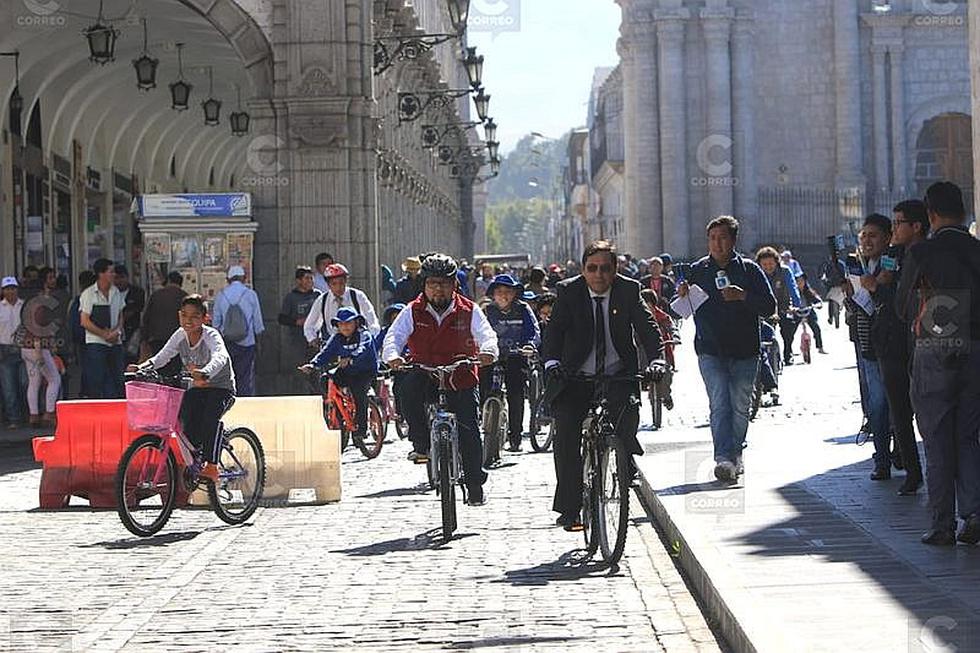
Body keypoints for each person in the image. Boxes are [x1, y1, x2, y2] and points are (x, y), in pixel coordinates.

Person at [543, 240, 665, 530]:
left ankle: (624, 459)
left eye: (606, 269)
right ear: (583, 270)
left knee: (627, 417)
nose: (599, 275)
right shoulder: (568, 291)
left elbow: (648, 329)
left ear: (615, 269)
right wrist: (552, 362)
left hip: (616, 373)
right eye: (592, 268)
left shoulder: (628, 290)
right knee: (566, 433)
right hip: (575, 375)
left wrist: (657, 360)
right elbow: (554, 331)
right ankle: (570, 508)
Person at [896, 181, 980, 546]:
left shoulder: (922, 252)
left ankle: (942, 523)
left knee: (936, 437)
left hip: (936, 346)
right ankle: (973, 513)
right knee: (968, 435)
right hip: (976, 348)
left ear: (930, 215)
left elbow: (902, 308)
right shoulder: (977, 249)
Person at [382, 253, 498, 506]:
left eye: (444, 283)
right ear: (424, 285)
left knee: (469, 430)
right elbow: (393, 338)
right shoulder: (412, 310)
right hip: (425, 371)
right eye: (432, 283)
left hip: (461, 375)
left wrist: (488, 351)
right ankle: (421, 443)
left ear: (454, 284)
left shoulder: (469, 309)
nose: (438, 289)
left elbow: (487, 335)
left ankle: (475, 484)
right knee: (407, 390)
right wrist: (392, 356)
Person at [678, 217, 776, 483]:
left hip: (745, 349)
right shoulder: (698, 270)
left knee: (741, 405)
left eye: (722, 238)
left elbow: (769, 307)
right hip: (710, 349)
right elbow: (681, 308)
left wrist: (742, 296)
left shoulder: (749, 270)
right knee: (719, 402)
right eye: (712, 238)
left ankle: (736, 452)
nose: (717, 244)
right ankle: (723, 458)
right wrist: (682, 293)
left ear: (733, 240)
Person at [131, 294, 236, 485]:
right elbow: (163, 356)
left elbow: (220, 356)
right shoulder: (180, 335)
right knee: (186, 420)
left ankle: (212, 466)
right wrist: (142, 368)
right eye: (185, 315)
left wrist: (205, 372)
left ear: (205, 318)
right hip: (196, 388)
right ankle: (198, 457)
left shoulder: (211, 336)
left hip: (221, 388)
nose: (189, 320)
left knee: (209, 419)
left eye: (195, 316)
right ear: (179, 315)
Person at [865, 199, 928, 497]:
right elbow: (884, 296)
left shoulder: (928, 255)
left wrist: (879, 287)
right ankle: (912, 471)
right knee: (899, 412)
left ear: (917, 226)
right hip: (891, 342)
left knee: (927, 411)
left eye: (899, 222)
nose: (895, 229)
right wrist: (879, 286)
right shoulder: (892, 255)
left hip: (922, 340)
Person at [841, 214, 895, 481]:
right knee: (877, 402)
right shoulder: (857, 266)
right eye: (863, 236)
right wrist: (849, 296)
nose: (866, 241)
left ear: (887, 237)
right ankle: (882, 457)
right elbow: (854, 307)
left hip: (892, 344)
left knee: (894, 402)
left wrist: (875, 287)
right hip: (867, 344)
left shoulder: (891, 263)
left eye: (873, 235)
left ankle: (898, 451)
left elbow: (892, 299)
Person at [300, 307, 379, 444]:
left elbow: (363, 349)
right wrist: (313, 364)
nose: (344, 327)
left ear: (356, 323)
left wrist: (351, 357)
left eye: (348, 323)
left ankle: (361, 428)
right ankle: (339, 411)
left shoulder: (364, 335)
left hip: (365, 371)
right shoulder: (337, 338)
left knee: (359, 393)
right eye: (341, 324)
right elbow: (326, 352)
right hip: (347, 370)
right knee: (325, 379)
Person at [481, 274, 540, 453]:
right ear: (493, 294)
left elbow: (533, 331)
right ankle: (484, 425)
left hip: (516, 356)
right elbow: (477, 332)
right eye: (499, 291)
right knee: (482, 388)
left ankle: (515, 437)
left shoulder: (523, 309)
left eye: (508, 291)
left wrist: (529, 345)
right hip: (491, 356)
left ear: (514, 294)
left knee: (515, 394)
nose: (503, 295)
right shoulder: (486, 311)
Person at [212, 265, 264, 396]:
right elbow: (258, 323)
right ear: (244, 278)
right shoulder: (251, 294)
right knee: (245, 376)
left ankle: (229, 399)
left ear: (228, 279)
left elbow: (216, 323)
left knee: (228, 375)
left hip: (227, 342)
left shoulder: (221, 295)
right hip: (247, 342)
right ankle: (244, 400)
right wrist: (259, 343)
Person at [20, 271, 64, 426]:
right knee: (54, 379)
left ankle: (34, 415)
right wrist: (40, 350)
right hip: (38, 347)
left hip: (26, 347)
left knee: (34, 382)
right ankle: (49, 413)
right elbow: (38, 329)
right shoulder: (41, 306)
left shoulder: (28, 304)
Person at [79, 259, 126, 399]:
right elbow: (85, 321)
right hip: (96, 342)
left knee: (117, 377)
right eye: (110, 272)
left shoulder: (116, 292)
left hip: (115, 341)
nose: (113, 275)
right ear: (101, 274)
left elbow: (120, 315)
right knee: (98, 378)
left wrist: (116, 331)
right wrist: (104, 334)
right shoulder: (88, 294)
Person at [303, 263, 380, 346]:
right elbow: (309, 326)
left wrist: (371, 339)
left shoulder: (357, 296)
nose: (338, 287)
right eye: (334, 284)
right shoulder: (322, 300)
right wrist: (313, 339)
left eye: (341, 283)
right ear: (328, 284)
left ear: (346, 281)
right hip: (331, 345)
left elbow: (372, 320)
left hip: (357, 343)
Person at [756, 246, 803, 365]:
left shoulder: (785, 271)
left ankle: (788, 353)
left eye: (771, 264)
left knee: (788, 329)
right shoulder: (756, 273)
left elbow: (793, 288)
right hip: (765, 307)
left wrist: (796, 305)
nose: (768, 267)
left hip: (784, 307)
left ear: (776, 262)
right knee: (764, 332)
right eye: (764, 264)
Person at [278, 266, 322, 379]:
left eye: (311, 278)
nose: (310, 281)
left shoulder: (318, 295)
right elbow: (282, 318)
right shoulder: (291, 297)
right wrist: (297, 322)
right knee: (301, 370)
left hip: (316, 339)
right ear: (299, 281)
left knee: (317, 368)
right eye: (307, 278)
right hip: (298, 340)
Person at [141, 271, 187, 365]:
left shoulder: (156, 295)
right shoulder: (184, 297)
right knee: (175, 367)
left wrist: (144, 339)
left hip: (156, 338)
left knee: (158, 365)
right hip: (177, 339)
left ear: (168, 280)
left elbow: (145, 318)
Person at [641, 288, 676, 410]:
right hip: (643, 355)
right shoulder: (637, 318)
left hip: (662, 352)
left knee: (667, 374)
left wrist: (675, 337)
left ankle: (666, 396)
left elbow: (672, 328)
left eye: (648, 305)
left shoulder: (663, 317)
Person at [68, 270, 97, 398]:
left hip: (82, 340)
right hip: (93, 339)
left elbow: (72, 323)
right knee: (93, 368)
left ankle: (87, 393)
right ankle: (92, 393)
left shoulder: (77, 301)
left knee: (86, 368)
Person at [0, 277, 25, 428]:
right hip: (4, 350)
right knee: (8, 387)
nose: (11, 291)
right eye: (7, 289)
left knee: (25, 383)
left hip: (24, 349)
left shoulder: (25, 306)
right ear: (3, 291)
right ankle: (13, 418)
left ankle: (27, 414)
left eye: (13, 288)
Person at [113, 265, 146, 363]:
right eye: (116, 278)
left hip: (132, 333)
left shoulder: (137, 292)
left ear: (127, 277)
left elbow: (136, 309)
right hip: (113, 334)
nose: (119, 281)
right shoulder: (110, 293)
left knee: (131, 360)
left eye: (121, 277)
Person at [795, 273, 826, 354]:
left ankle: (820, 347)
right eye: (798, 281)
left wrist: (818, 304)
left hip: (808, 311)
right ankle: (789, 350)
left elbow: (817, 299)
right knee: (789, 330)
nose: (800, 283)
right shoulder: (793, 292)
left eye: (802, 281)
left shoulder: (808, 291)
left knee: (816, 327)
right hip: (796, 312)